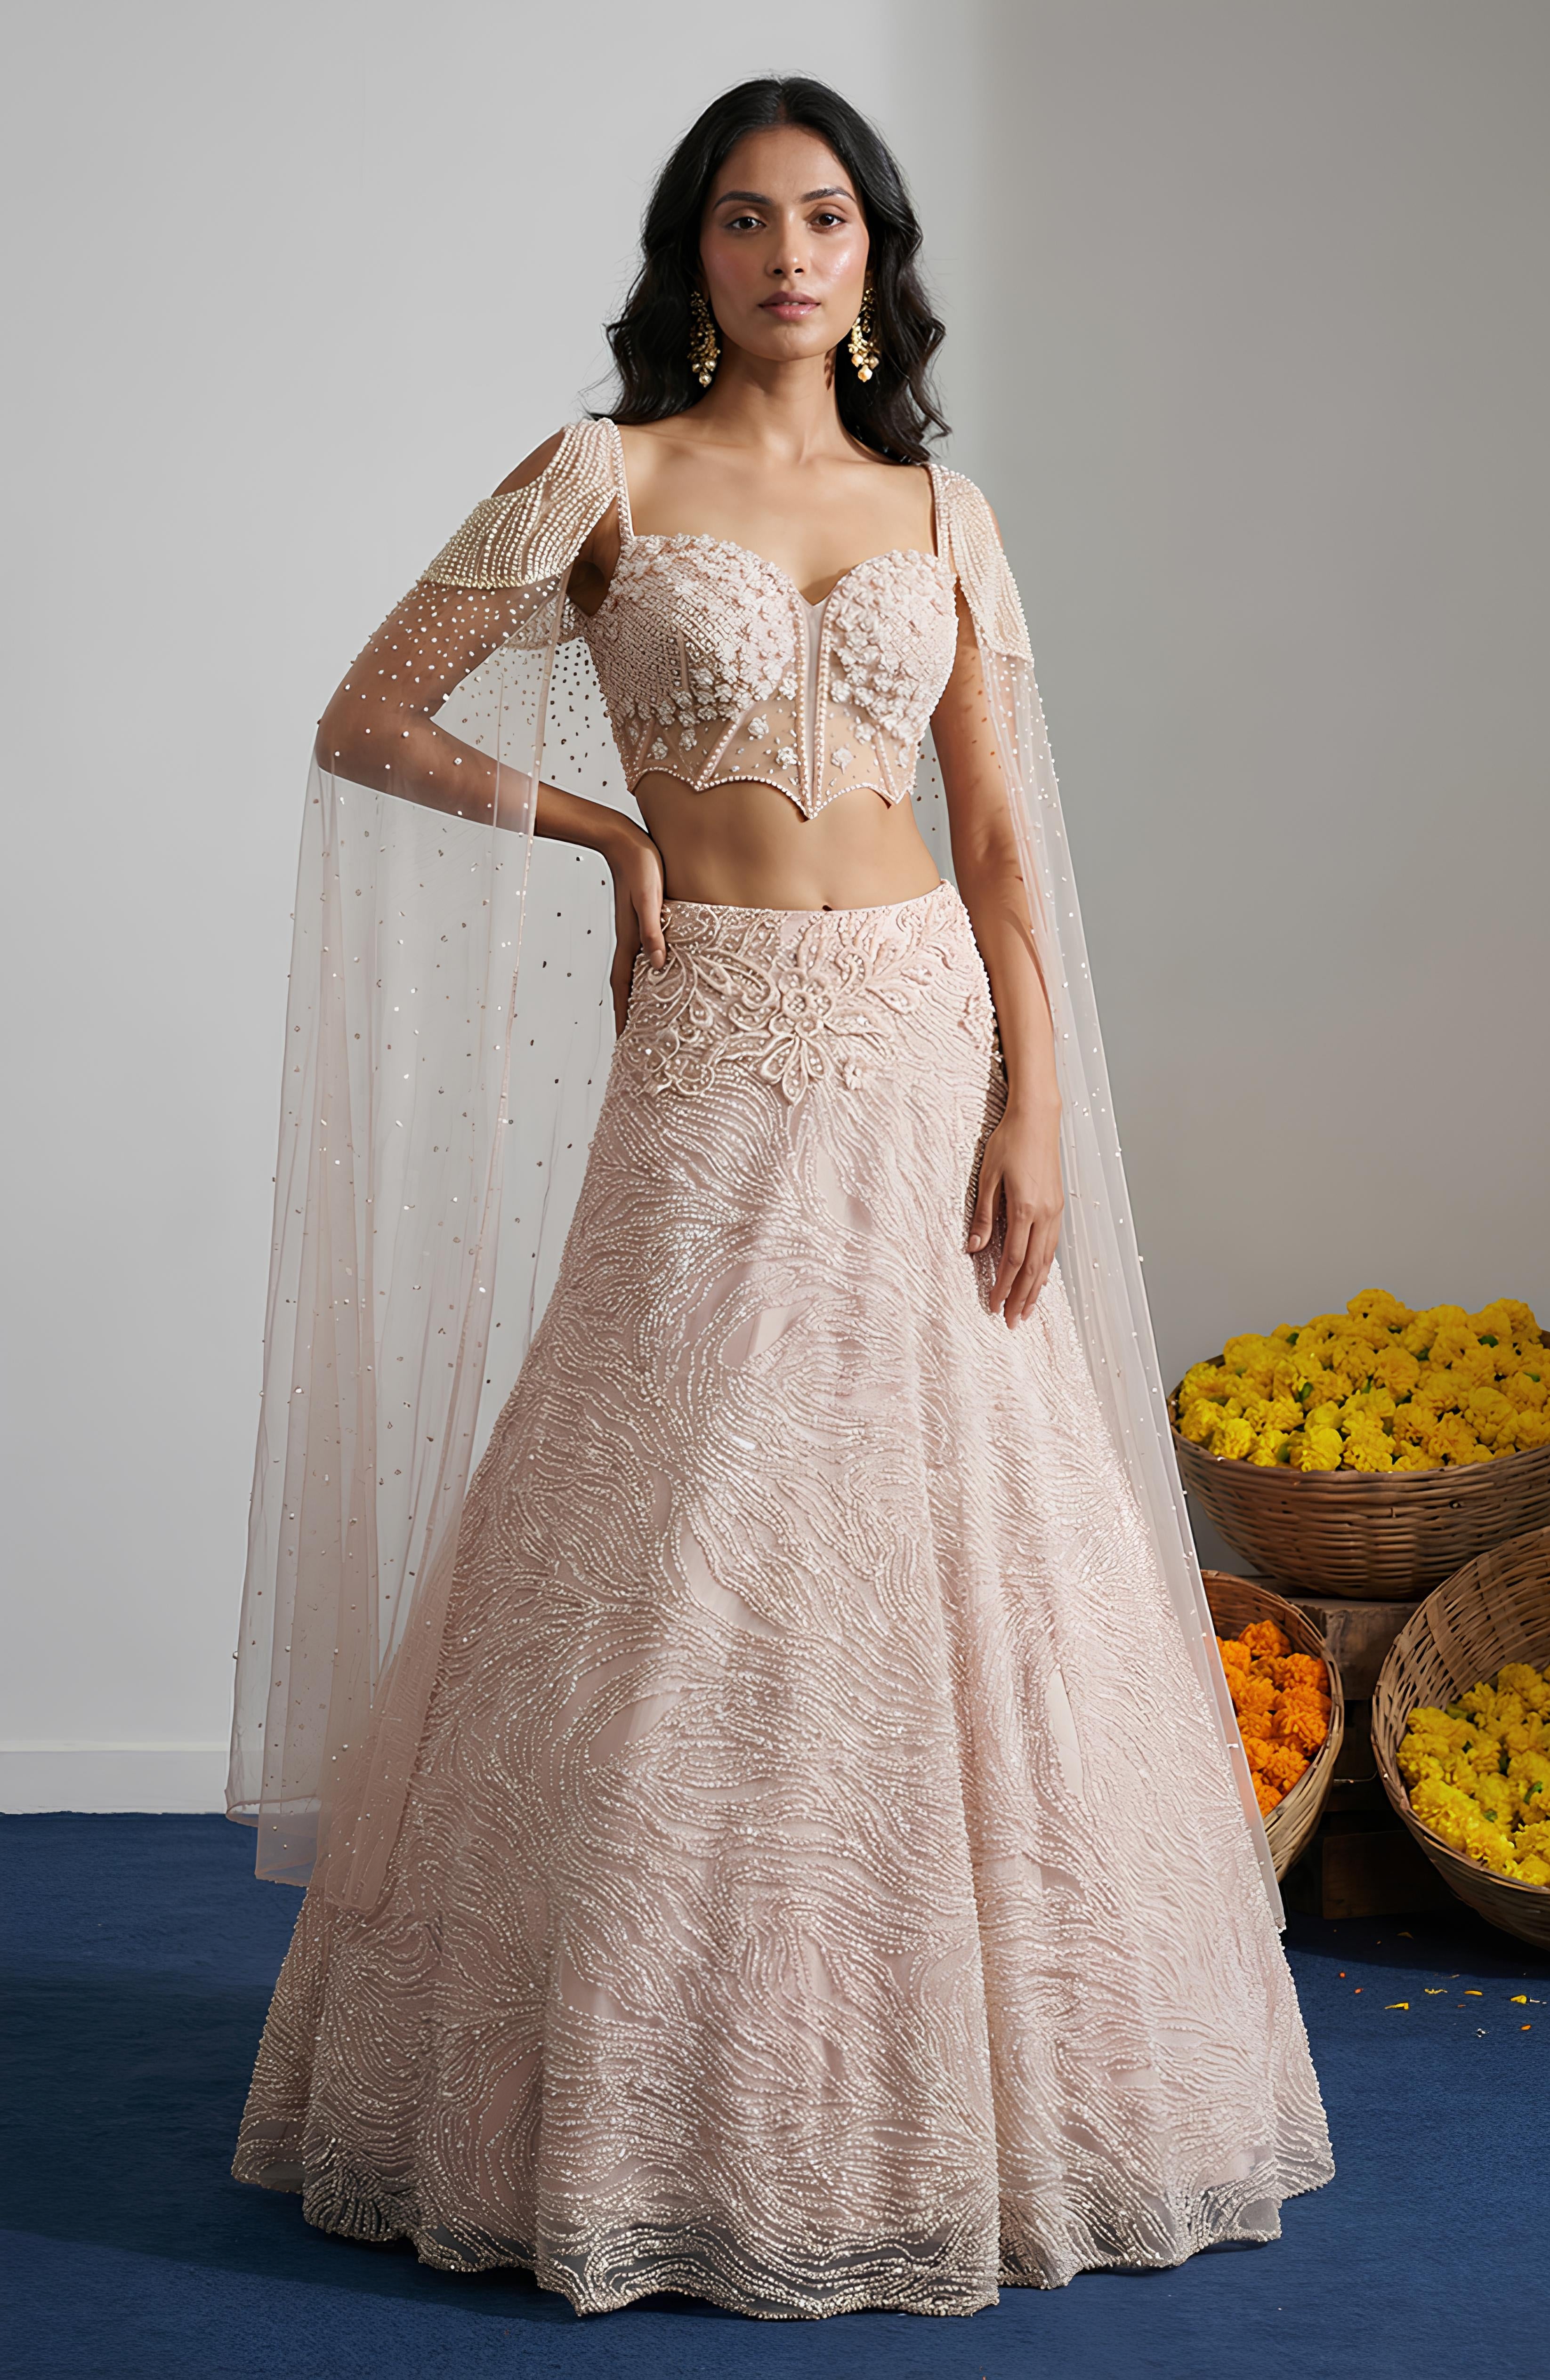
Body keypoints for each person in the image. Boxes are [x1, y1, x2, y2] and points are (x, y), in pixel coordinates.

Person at [228, 75, 1332, 2322]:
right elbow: (368, 715)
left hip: (924, 1031)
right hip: (718, 1035)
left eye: (825, 216)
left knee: (963, 1528)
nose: (788, 256)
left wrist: (1027, 1099)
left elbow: (1005, 853)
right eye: (744, 220)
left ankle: (981, 2083)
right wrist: (609, 838)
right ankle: (644, 2084)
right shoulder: (599, 476)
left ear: (873, 254)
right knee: (674, 1519)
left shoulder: (945, 506)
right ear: (692, 257)